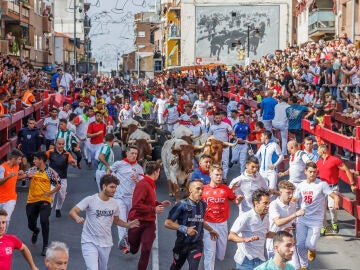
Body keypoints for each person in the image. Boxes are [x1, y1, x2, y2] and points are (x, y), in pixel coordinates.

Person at [69, 174, 139, 270]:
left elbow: (116, 220)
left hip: (106, 243)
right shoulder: (90, 200)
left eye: (115, 187)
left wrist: (128, 225)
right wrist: (77, 218)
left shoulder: (115, 203)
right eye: (112, 187)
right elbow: (73, 211)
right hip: (89, 241)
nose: (114, 189)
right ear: (104, 186)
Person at [293, 162, 340, 270]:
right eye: (310, 172)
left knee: (309, 245)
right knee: (300, 245)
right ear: (305, 172)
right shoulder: (300, 185)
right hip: (302, 219)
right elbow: (294, 200)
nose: (312, 174)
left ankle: (312, 249)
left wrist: (336, 203)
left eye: (314, 172)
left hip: (316, 220)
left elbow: (334, 196)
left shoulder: (322, 184)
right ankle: (304, 267)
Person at [164, 180, 219, 270]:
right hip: (181, 244)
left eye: (202, 189)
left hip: (196, 244)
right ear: (190, 190)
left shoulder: (203, 205)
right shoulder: (181, 204)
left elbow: (200, 220)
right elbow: (167, 223)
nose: (201, 191)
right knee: (175, 267)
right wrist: (185, 229)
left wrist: (211, 230)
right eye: (198, 189)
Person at [127, 161, 171, 270]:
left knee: (146, 249)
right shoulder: (143, 184)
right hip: (137, 221)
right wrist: (154, 209)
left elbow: (148, 201)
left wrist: (159, 203)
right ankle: (128, 240)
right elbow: (136, 205)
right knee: (133, 249)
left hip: (149, 222)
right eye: (159, 172)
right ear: (156, 172)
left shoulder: (150, 183)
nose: (159, 174)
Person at [202, 164, 242, 270]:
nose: (219, 177)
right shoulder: (203, 190)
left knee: (220, 255)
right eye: (216, 175)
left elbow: (235, 202)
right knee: (210, 253)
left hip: (222, 224)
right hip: (208, 224)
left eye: (220, 175)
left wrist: (239, 199)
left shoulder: (226, 189)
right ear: (210, 174)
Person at [24, 151, 61, 256]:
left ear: (41, 160)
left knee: (44, 220)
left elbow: (59, 185)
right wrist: (22, 173)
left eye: (35, 159)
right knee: (31, 225)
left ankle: (45, 246)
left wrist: (50, 193)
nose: (34, 161)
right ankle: (35, 231)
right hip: (31, 200)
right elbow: (23, 176)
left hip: (45, 200)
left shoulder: (50, 172)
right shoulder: (32, 170)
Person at [228, 188, 274, 270]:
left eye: (269, 203)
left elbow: (265, 234)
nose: (268, 206)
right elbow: (231, 236)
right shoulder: (245, 216)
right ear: (256, 203)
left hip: (260, 260)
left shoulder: (266, 218)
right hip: (245, 261)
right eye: (265, 203)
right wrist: (245, 239)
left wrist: (281, 235)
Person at [110, 146, 144, 254]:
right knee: (122, 219)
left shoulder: (139, 168)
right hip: (119, 197)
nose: (134, 155)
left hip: (132, 198)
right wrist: (109, 184)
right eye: (132, 153)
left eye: (136, 154)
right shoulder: (119, 164)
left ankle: (126, 240)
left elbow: (143, 184)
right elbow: (109, 171)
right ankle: (124, 243)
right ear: (127, 153)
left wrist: (137, 180)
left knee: (130, 222)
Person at [316, 144, 356, 235]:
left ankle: (334, 222)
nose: (317, 152)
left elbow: (346, 169)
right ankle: (324, 226)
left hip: (333, 187)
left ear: (322, 151)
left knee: (331, 207)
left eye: (318, 150)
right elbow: (313, 174)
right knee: (321, 209)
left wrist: (352, 183)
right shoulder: (318, 162)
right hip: (322, 189)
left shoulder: (334, 160)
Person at [266, 180, 305, 264]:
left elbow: (292, 221)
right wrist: (295, 215)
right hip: (275, 243)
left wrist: (294, 224)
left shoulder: (293, 205)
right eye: (288, 193)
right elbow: (278, 222)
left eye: (292, 193)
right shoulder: (274, 205)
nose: (291, 195)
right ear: (280, 192)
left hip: (288, 242)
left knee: (295, 267)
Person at [46, 138, 77, 218]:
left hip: (63, 178)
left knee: (62, 196)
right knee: (51, 194)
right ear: (56, 144)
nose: (61, 145)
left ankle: (58, 208)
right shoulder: (50, 152)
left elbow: (71, 161)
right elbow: (43, 160)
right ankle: (49, 209)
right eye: (59, 144)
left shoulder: (67, 154)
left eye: (62, 144)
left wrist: (73, 163)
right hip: (52, 178)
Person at [0, 149, 28, 229]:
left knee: (6, 220)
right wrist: (8, 176)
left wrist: (25, 175)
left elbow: (15, 178)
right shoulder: (2, 168)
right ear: (13, 159)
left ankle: (2, 239)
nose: (20, 161)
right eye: (19, 159)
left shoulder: (17, 167)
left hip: (10, 199)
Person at [208, 112, 235, 182]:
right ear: (214, 118)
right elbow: (208, 136)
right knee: (215, 162)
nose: (218, 119)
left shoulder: (226, 125)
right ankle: (215, 177)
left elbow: (232, 131)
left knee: (225, 162)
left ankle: (224, 178)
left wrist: (232, 135)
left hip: (224, 146)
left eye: (219, 118)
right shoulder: (212, 127)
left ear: (221, 118)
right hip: (215, 148)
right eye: (216, 118)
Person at [255, 130, 284, 196]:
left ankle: (272, 205)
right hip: (262, 171)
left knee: (272, 190)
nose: (260, 137)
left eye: (262, 136)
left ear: (266, 137)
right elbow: (256, 156)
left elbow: (281, 156)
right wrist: (251, 154)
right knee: (262, 190)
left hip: (272, 172)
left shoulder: (274, 145)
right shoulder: (262, 146)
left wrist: (275, 164)